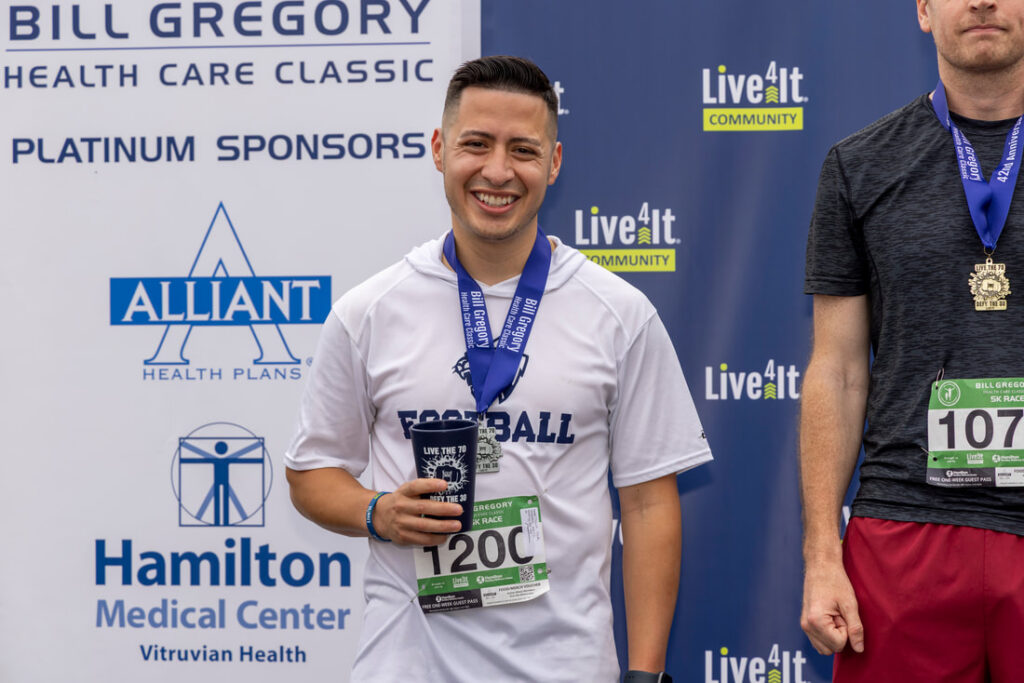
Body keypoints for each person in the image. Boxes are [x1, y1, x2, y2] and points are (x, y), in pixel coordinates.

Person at [284, 55, 711, 683]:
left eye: (523, 150)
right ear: (439, 149)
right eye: (476, 144)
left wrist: (645, 675)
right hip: (407, 665)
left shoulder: (620, 314)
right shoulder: (369, 311)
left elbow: (648, 505)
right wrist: (378, 512)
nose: (498, 171)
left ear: (554, 163)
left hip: (565, 666)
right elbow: (311, 472)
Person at [801, 1, 1024, 681]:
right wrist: (822, 555)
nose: (982, 1)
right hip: (905, 533)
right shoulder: (860, 165)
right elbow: (837, 370)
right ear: (925, 9)